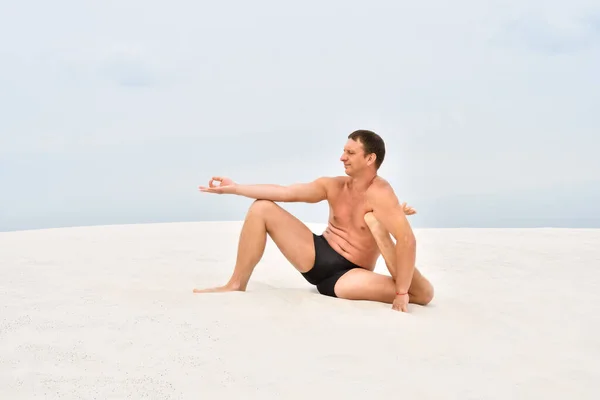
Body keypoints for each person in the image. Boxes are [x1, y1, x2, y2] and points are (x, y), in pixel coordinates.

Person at [193, 130, 434, 312]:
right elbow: (286, 192)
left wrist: (402, 292)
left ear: (370, 158)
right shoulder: (333, 185)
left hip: (349, 277)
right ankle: (236, 283)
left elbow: (406, 239)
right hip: (316, 255)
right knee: (262, 207)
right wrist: (234, 189)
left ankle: (378, 229)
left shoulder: (381, 193)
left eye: (350, 153)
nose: (342, 158)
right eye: (343, 151)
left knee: (423, 295)